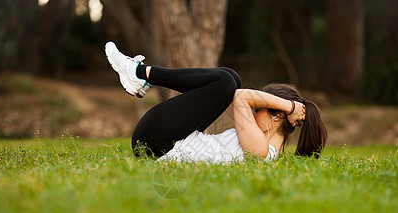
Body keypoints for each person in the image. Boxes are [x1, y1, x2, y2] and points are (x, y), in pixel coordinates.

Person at [105, 42, 327, 163]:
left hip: (157, 145)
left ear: (276, 115)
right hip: (167, 140)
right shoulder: (265, 147)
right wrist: (285, 107)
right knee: (231, 78)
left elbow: (241, 96)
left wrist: (288, 106)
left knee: (227, 83)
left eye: (258, 109)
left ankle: (140, 73)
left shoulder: (262, 151)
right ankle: (140, 76)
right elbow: (240, 92)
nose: (253, 111)